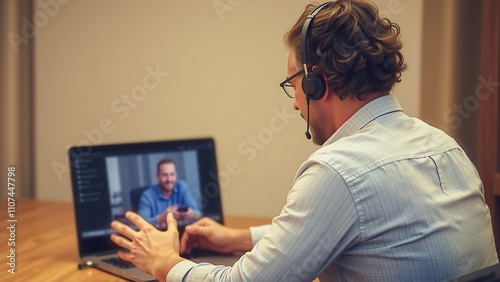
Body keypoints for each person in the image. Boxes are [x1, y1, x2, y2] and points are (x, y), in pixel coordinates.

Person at [110, 0, 498, 281]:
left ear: (316, 84)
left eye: (293, 84)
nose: (294, 102)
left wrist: (164, 262)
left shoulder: (339, 170)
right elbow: (353, 226)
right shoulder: (446, 147)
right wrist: (238, 238)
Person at [137, 158, 201, 224]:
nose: (169, 179)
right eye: (164, 175)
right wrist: (163, 217)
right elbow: (140, 223)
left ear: (176, 174)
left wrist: (194, 214)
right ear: (157, 176)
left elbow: (199, 213)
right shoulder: (146, 196)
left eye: (172, 174)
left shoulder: (182, 187)